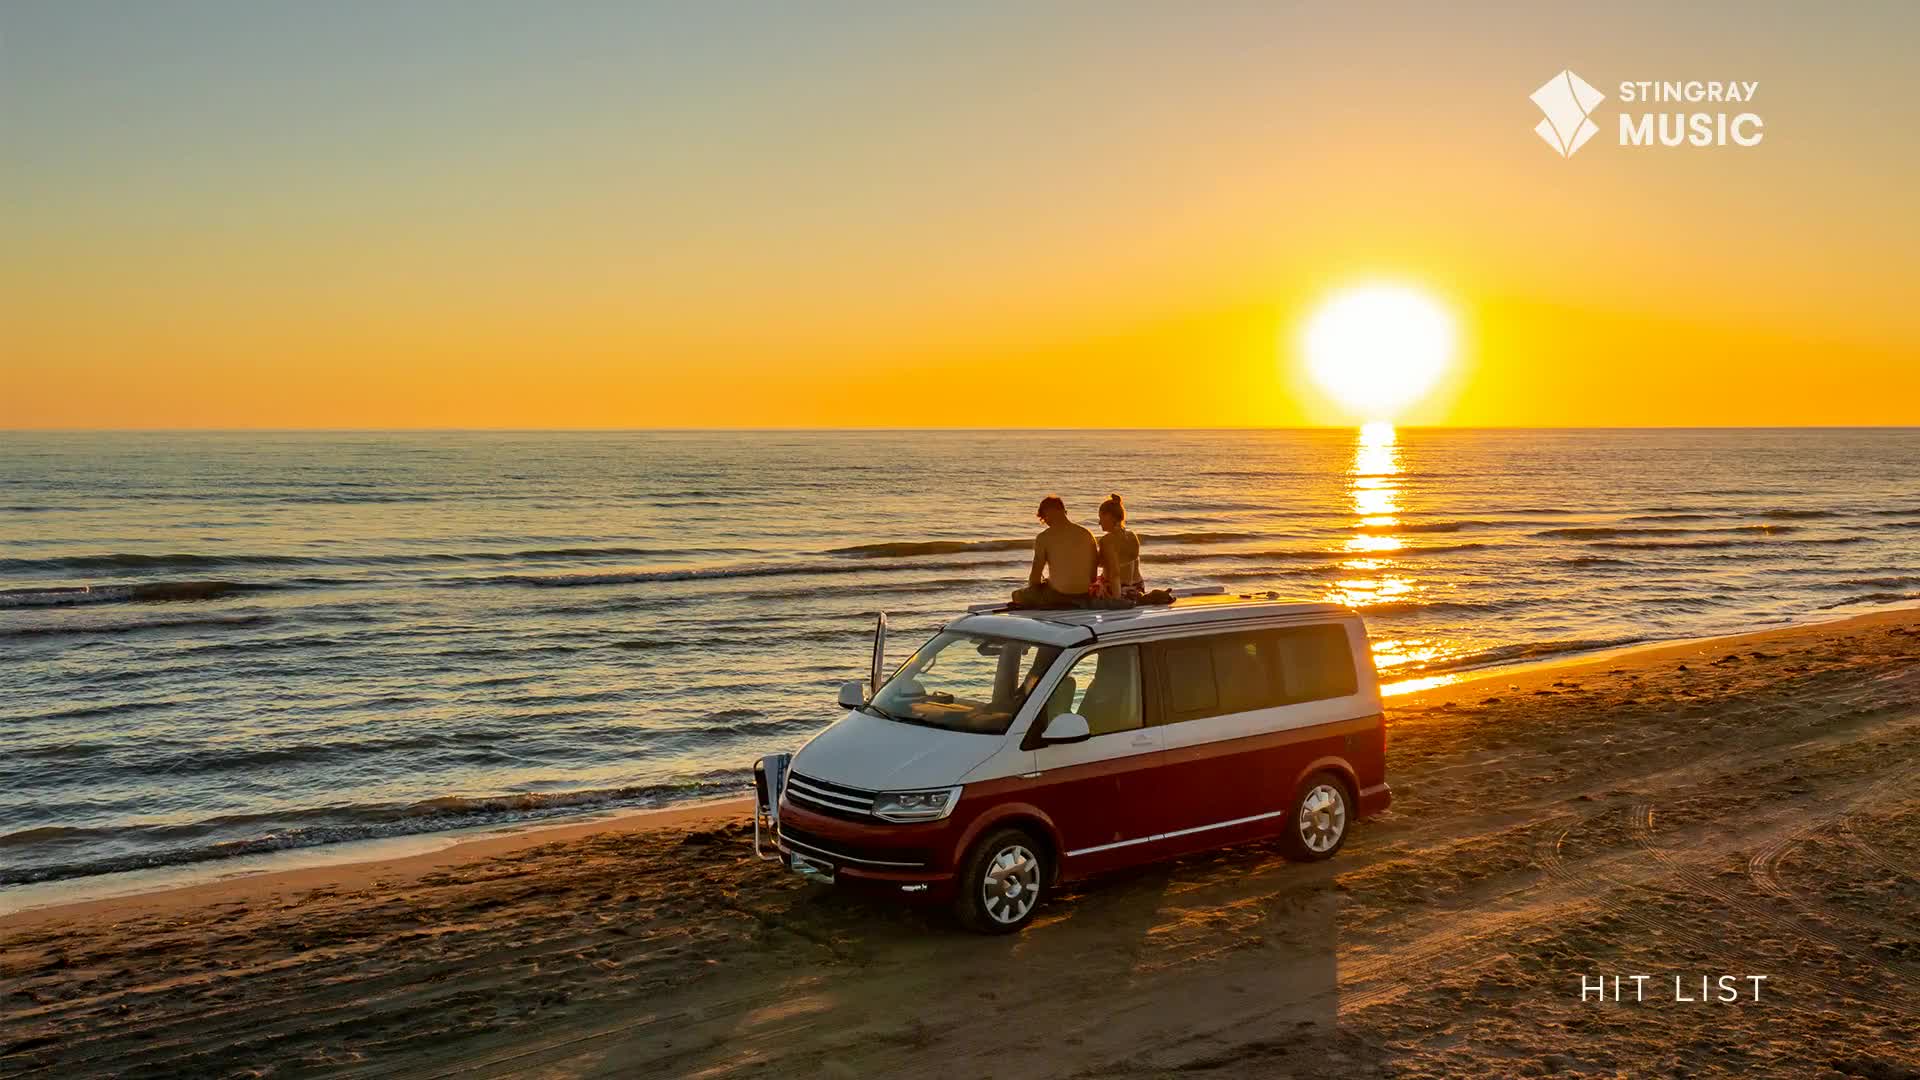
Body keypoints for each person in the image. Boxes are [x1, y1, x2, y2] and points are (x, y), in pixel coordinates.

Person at [1011, 495, 1098, 608]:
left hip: (1058, 595)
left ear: (1049, 512)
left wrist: (1033, 593)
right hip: (1085, 594)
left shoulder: (1044, 537)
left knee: (1016, 595)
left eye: (1043, 517)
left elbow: (1036, 574)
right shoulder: (1086, 534)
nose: (1045, 521)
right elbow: (1093, 571)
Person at [1093, 493, 1146, 601]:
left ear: (1108, 516)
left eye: (1100, 517)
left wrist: (1117, 600)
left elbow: (1115, 574)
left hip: (1120, 591)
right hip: (1138, 588)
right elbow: (1125, 560)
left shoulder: (1107, 540)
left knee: (1090, 587)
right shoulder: (1132, 535)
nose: (1099, 522)